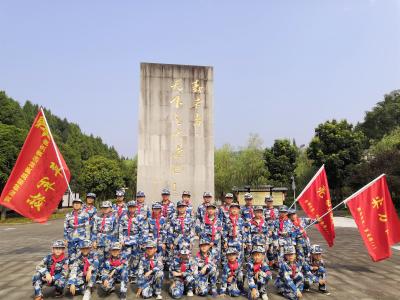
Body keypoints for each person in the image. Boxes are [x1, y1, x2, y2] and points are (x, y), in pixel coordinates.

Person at [119, 200, 148, 283]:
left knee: (136, 258)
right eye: (130, 207)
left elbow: (144, 230)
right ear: (128, 208)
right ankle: (125, 274)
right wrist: (121, 240)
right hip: (126, 240)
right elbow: (120, 230)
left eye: (133, 207)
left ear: (136, 208)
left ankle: (133, 275)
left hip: (136, 240)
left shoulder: (140, 217)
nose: (132, 209)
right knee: (125, 258)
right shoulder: (123, 217)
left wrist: (142, 242)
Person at [92, 201, 118, 272]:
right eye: (103, 208)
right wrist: (94, 241)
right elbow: (94, 230)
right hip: (99, 240)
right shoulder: (97, 217)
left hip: (109, 240)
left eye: (106, 208)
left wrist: (114, 242)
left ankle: (107, 273)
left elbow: (116, 230)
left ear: (110, 208)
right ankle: (100, 273)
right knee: (99, 258)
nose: (105, 209)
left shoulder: (114, 218)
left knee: (109, 258)